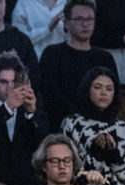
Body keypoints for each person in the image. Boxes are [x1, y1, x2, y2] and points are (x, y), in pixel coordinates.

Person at [59, 69, 125, 185]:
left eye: (109, 89)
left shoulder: (122, 128)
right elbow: (71, 170)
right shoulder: (72, 123)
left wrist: (113, 154)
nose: (104, 93)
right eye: (97, 87)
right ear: (87, 90)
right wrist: (95, 152)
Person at [0, 52, 50, 185]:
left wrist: (31, 113)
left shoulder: (36, 114)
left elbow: (42, 146)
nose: (10, 87)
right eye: (3, 82)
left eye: (14, 82)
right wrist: (7, 108)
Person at [38, 0, 118, 128]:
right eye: (79, 19)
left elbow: (114, 97)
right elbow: (51, 95)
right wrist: (81, 118)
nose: (85, 24)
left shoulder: (105, 58)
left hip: (100, 126)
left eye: (90, 19)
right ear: (66, 22)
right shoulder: (52, 54)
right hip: (62, 126)